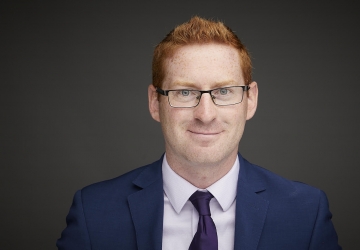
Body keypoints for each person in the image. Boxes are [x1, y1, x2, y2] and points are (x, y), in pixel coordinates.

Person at [57, 16, 341, 250]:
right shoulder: (93, 213)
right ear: (155, 103)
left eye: (224, 91)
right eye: (184, 92)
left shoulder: (306, 214)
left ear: (250, 100)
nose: (205, 114)